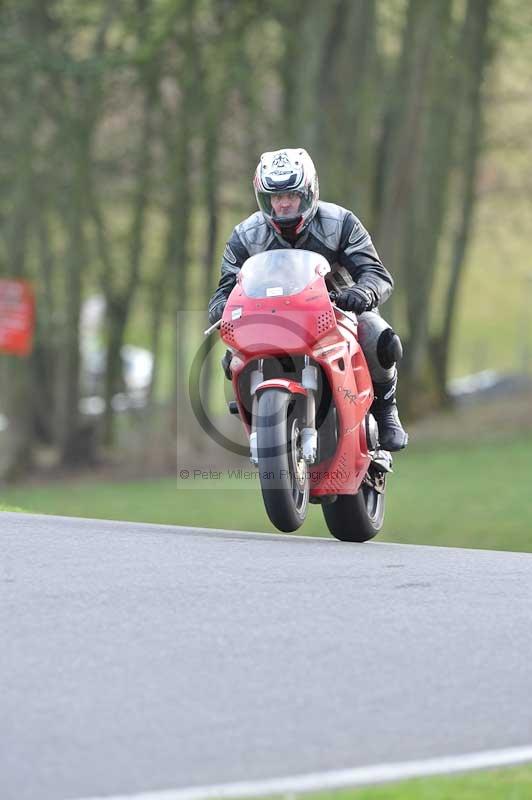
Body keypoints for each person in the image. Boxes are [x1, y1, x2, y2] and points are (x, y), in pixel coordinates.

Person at [208, 148, 408, 451]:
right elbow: (225, 289)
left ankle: (386, 410)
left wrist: (361, 293)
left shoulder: (340, 223)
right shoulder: (245, 235)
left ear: (309, 192)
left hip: (338, 312)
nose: (283, 204)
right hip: (272, 319)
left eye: (291, 195)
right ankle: (259, 413)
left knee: (380, 338)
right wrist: (219, 308)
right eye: (275, 197)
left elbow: (376, 274)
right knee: (233, 357)